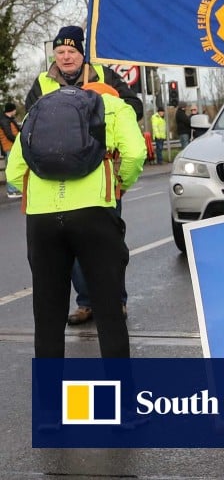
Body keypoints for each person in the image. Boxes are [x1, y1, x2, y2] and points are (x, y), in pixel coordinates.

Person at [7, 78, 146, 360]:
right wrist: (119, 184)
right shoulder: (116, 106)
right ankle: (118, 397)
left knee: (47, 316)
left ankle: (49, 400)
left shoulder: (40, 108)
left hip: (42, 218)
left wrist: (42, 194)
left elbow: (13, 172)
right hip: (94, 212)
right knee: (109, 311)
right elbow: (135, 152)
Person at [25, 25, 144, 122]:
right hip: (56, 149)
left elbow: (136, 108)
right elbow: (29, 119)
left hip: (102, 148)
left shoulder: (105, 75)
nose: (66, 57)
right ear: (55, 56)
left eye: (72, 51)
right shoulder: (42, 81)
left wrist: (102, 113)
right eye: (60, 52)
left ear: (82, 55)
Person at [1, 102, 22, 199]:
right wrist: (19, 141)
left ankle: (13, 189)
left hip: (10, 147)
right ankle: (11, 191)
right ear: (12, 110)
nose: (15, 111)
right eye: (14, 110)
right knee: (11, 168)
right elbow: (9, 135)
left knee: (12, 168)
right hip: (9, 147)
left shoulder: (8, 120)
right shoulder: (5, 121)